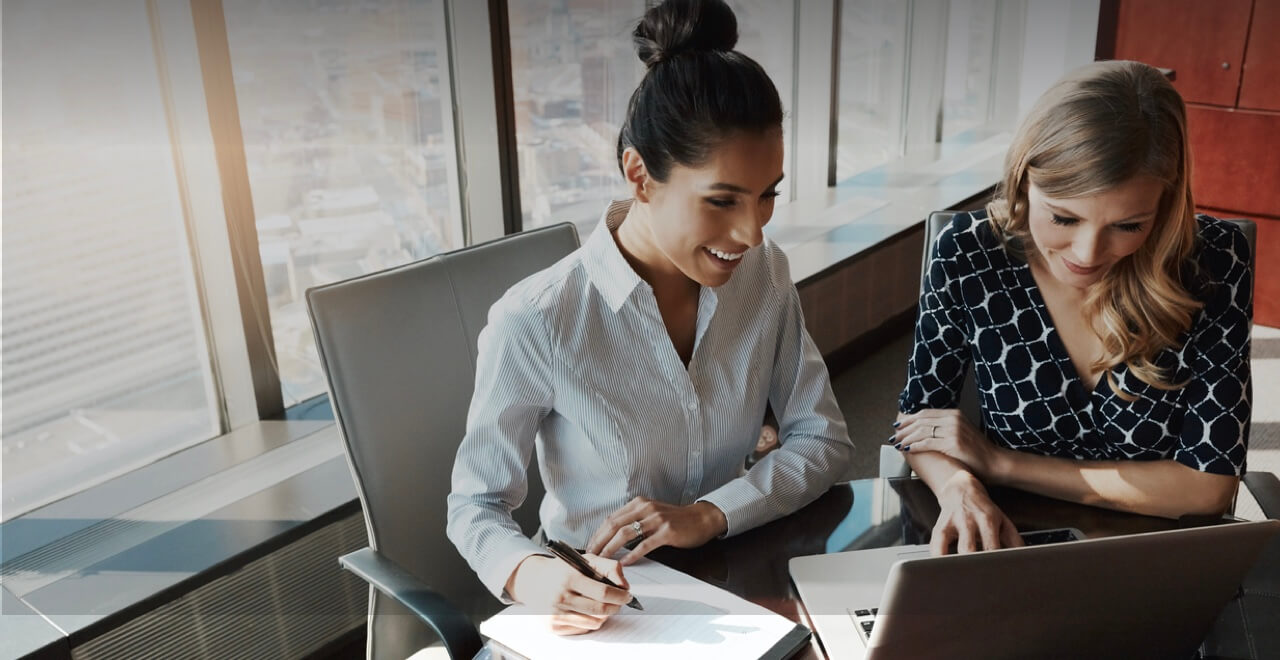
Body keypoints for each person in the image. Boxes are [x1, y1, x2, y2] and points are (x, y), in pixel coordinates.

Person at [446, 0, 852, 636]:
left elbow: (822, 439)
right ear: (639, 174)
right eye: (721, 201)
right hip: (606, 612)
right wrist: (535, 575)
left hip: (736, 583)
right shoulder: (537, 321)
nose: (750, 231)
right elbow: (475, 505)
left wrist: (711, 514)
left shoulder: (764, 272)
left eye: (767, 194)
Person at [891, 60, 1252, 556]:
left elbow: (1208, 488)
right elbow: (920, 419)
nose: (1087, 253)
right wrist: (958, 484)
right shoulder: (969, 253)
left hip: (1157, 556)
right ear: (1024, 181)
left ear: (1164, 207)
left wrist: (1001, 465)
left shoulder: (1213, 260)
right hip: (1006, 544)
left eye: (1128, 225)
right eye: (1064, 217)